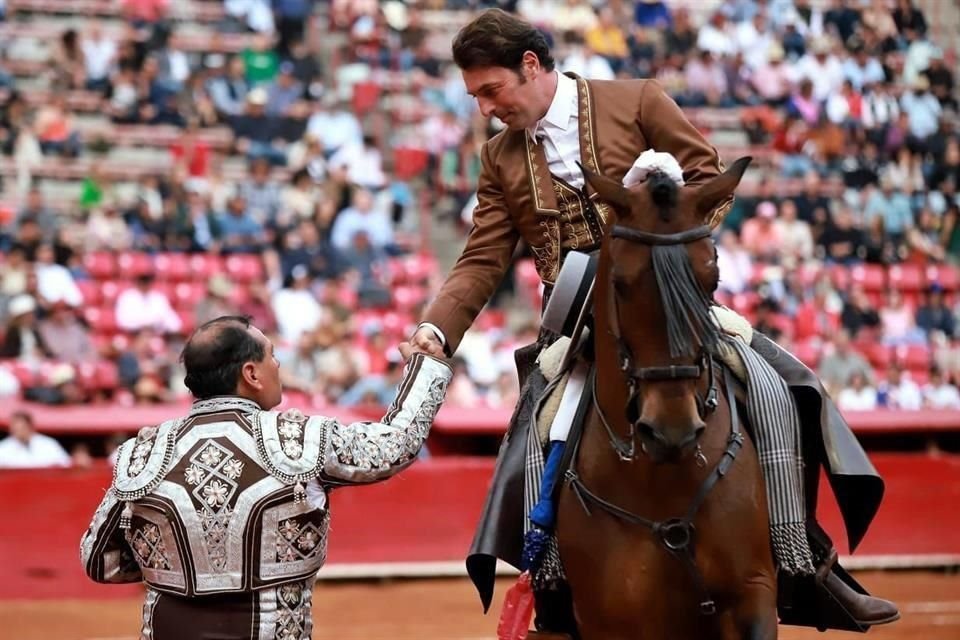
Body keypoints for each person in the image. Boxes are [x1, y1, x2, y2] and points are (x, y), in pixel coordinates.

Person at [397, 9, 897, 636]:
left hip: (669, 300)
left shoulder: (635, 101)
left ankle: (803, 561)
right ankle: (551, 582)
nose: (485, 109)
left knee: (777, 385)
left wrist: (663, 229)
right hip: (579, 322)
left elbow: (708, 177)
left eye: (490, 91)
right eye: (475, 97)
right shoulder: (500, 157)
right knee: (534, 424)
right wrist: (437, 329)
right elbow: (484, 255)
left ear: (530, 66)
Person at [80, 316, 451, 640]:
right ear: (251, 374)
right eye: (272, 355)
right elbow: (392, 448)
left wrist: (176, 567)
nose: (278, 365)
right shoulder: (299, 439)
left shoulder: (144, 451)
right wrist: (426, 367)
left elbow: (100, 559)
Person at [0, 410, 71, 468]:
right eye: (15, 428)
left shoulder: (49, 444)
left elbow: (65, 464)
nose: (19, 431)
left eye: (22, 428)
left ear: (30, 426)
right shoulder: (3, 447)